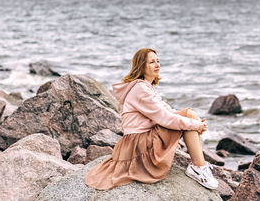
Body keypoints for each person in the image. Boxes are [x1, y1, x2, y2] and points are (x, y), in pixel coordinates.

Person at [85, 48, 218, 190]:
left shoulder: (147, 87)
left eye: (158, 61)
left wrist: (195, 124)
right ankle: (198, 167)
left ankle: (199, 166)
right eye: (152, 62)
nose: (157, 65)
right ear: (141, 66)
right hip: (138, 145)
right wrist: (195, 125)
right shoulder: (140, 89)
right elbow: (165, 118)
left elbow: (168, 111)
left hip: (140, 140)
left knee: (188, 114)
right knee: (188, 117)